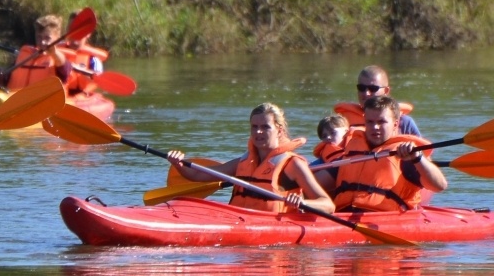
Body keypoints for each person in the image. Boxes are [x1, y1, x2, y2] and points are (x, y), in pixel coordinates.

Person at [166, 102, 333, 214]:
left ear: (279, 130)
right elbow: (197, 176)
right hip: (237, 220)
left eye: (265, 127)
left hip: (275, 225)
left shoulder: (293, 164)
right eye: (254, 127)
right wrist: (179, 163)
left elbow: (327, 205)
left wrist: (303, 203)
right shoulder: (243, 162)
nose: (258, 132)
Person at [315, 94, 446, 211]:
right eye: (370, 122)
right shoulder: (352, 148)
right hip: (343, 216)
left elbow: (439, 186)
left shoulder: (405, 154)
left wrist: (418, 159)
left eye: (381, 122)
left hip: (383, 219)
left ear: (395, 124)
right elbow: (316, 184)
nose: (375, 127)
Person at [335, 65, 422, 137]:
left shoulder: (405, 123)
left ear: (386, 91)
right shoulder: (342, 122)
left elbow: (425, 157)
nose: (366, 93)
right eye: (361, 88)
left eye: (373, 89)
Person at [2, 15, 70, 92]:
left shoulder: (58, 59)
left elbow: (65, 71)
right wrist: (1, 75)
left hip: (43, 102)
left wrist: (53, 53)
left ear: (57, 38)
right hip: (17, 100)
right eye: (39, 37)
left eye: (47, 38)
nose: (42, 42)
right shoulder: (25, 54)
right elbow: (8, 78)